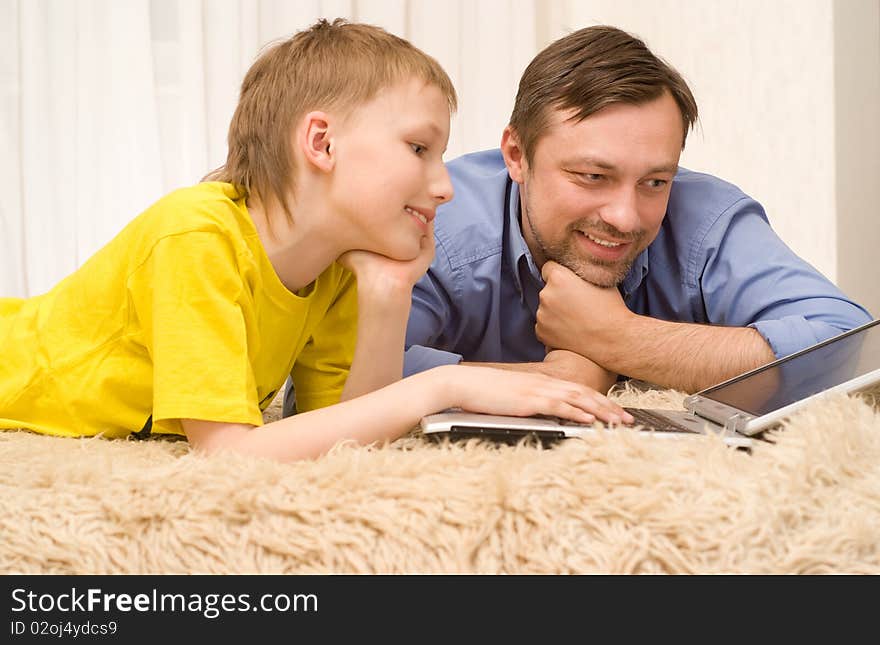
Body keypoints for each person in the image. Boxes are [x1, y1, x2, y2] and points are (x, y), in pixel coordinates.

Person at [0, 19, 632, 463]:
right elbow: (227, 454)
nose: (444, 185)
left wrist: (386, 296)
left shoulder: (333, 272)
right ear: (322, 143)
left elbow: (348, 437)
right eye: (418, 148)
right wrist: (446, 386)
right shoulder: (194, 236)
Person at [399, 25, 873, 396]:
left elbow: (844, 342)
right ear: (517, 156)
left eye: (654, 182)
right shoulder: (436, 220)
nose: (626, 217)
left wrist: (617, 338)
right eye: (592, 176)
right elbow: (345, 376)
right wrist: (561, 378)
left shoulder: (706, 221)